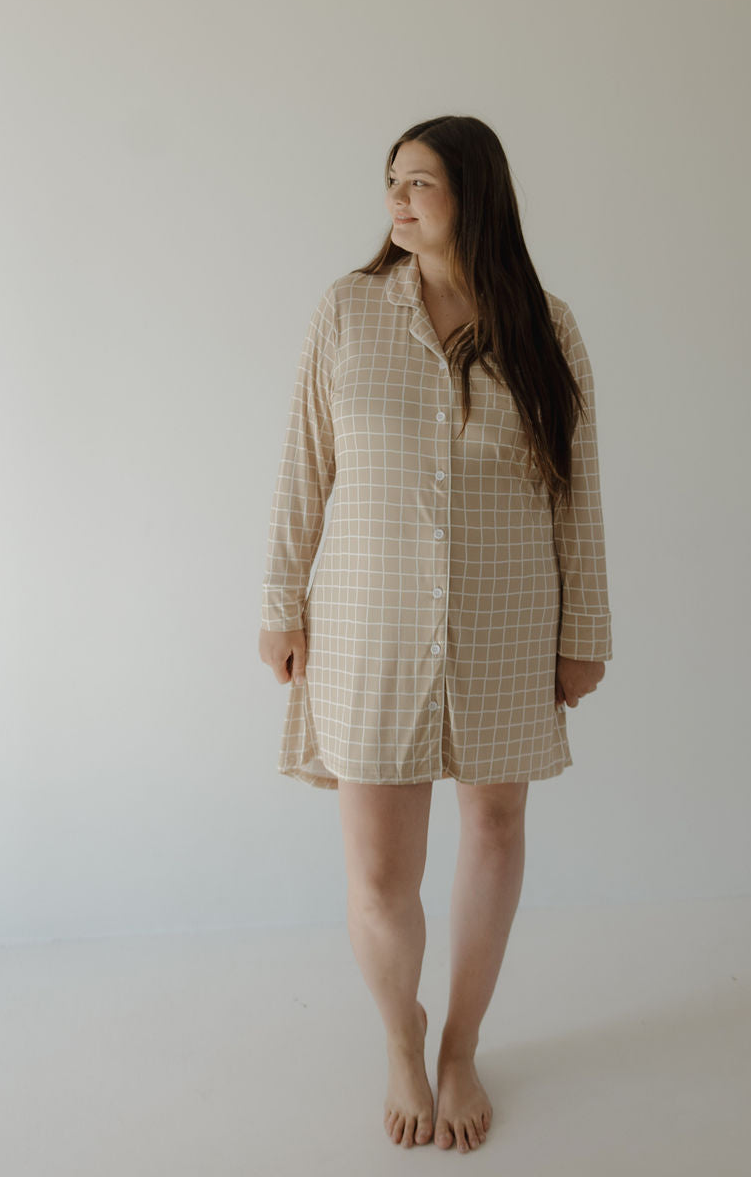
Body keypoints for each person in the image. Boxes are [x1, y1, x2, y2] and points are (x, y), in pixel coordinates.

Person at [259, 115, 612, 1153]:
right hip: (367, 626)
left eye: (421, 182)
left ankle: (460, 1043)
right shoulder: (347, 313)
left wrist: (582, 629)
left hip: (508, 622)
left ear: (476, 194)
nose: (398, 200)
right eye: (391, 182)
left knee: (495, 825)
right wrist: (279, 600)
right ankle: (399, 1039)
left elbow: (576, 499)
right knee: (378, 873)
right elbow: (301, 467)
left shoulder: (547, 329)